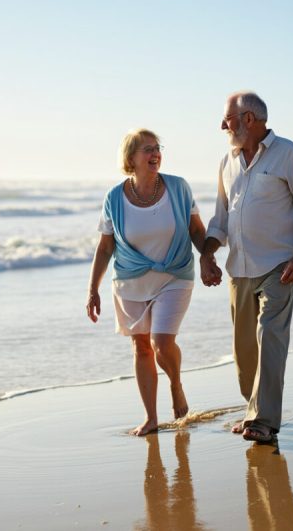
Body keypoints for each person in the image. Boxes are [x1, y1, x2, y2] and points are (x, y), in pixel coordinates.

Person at [199, 92, 293, 444]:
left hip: (279, 264)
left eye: (228, 119)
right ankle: (253, 407)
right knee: (244, 351)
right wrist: (207, 255)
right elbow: (220, 220)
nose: (222, 125)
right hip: (239, 267)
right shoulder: (227, 162)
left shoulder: (290, 155)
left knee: (270, 335)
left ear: (249, 119)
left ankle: (263, 420)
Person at [87, 129, 208, 436]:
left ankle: (176, 385)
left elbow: (196, 230)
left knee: (161, 342)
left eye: (157, 148)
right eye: (147, 150)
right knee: (142, 348)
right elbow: (105, 247)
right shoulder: (114, 198)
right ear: (131, 158)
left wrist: (208, 257)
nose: (155, 154)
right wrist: (92, 290)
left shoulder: (178, 188)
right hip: (130, 280)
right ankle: (151, 418)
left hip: (175, 274)